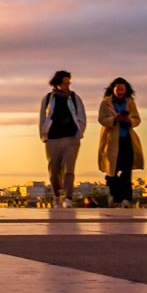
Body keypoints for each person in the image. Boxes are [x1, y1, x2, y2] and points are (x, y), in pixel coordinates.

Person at [39, 70, 86, 208]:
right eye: (65, 83)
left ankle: (68, 197)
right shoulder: (48, 98)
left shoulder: (74, 98)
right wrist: (44, 135)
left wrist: (79, 131)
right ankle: (57, 195)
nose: (67, 85)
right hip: (53, 138)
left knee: (69, 169)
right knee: (54, 170)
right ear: (57, 83)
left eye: (68, 83)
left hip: (71, 138)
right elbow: (43, 118)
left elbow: (81, 116)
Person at [97, 77, 144, 208]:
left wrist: (129, 120)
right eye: (118, 89)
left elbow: (137, 119)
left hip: (127, 140)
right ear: (113, 89)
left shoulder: (130, 102)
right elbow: (101, 119)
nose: (120, 91)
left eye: (122, 89)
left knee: (127, 170)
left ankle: (126, 198)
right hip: (111, 140)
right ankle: (114, 194)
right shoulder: (106, 103)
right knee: (113, 170)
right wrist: (115, 119)